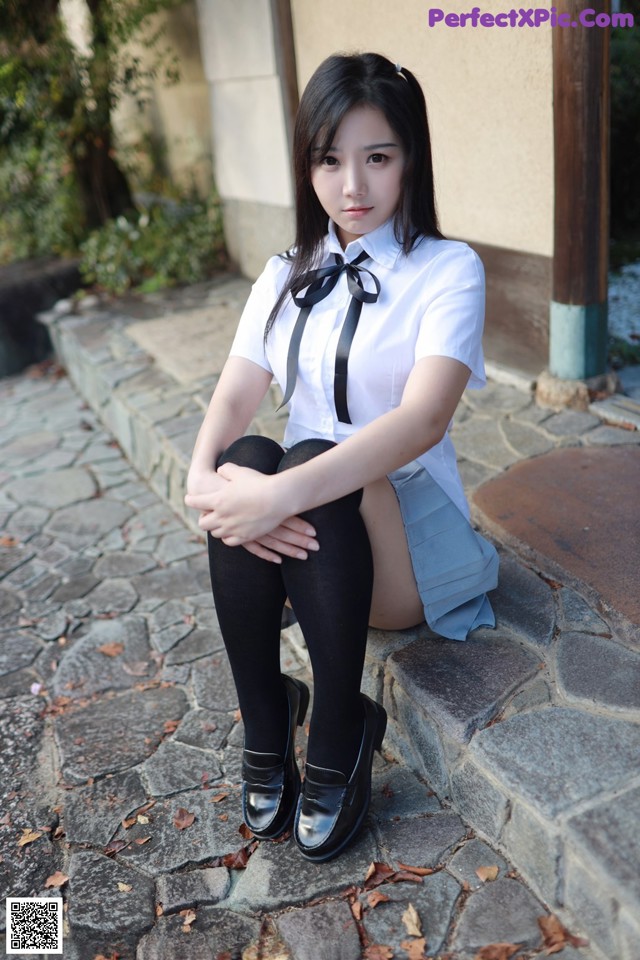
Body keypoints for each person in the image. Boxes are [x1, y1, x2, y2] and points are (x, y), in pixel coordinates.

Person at [184, 52, 499, 863]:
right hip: (316, 535)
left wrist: (274, 494)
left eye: (378, 157)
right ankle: (266, 716)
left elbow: (423, 421)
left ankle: (338, 727)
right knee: (246, 452)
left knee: (309, 459)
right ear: (307, 165)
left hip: (406, 554)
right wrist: (204, 480)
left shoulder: (448, 270)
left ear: (410, 160)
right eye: (329, 159)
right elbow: (232, 396)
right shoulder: (287, 270)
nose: (352, 184)